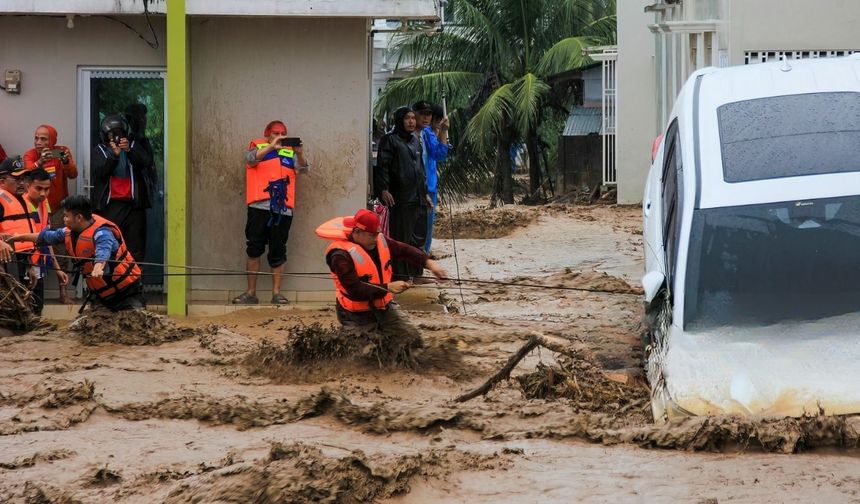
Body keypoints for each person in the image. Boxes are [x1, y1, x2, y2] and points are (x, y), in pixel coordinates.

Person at [316, 208, 447, 349]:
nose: (375, 239)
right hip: (354, 314)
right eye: (371, 235)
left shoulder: (379, 241)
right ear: (357, 232)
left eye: (377, 234)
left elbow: (404, 250)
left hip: (383, 307)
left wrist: (430, 264)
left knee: (413, 340)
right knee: (370, 352)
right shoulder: (340, 256)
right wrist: (388, 287)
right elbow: (355, 290)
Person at [8, 195, 145, 312]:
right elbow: (44, 237)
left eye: (66, 216)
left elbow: (104, 250)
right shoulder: (68, 232)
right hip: (102, 295)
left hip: (127, 292)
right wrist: (18, 237)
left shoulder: (103, 232)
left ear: (79, 217)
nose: (64, 219)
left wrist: (98, 266)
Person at [233, 120, 309, 305]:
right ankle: (251, 293)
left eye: (283, 133)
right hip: (259, 208)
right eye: (276, 133)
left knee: (278, 250)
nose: (280, 136)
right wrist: (271, 147)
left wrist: (300, 153)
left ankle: (276, 294)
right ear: (267, 134)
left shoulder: (289, 152)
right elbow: (250, 160)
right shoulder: (258, 148)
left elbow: (304, 169)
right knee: (254, 248)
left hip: (282, 210)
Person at [23, 124, 78, 303]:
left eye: (43, 139)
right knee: (34, 248)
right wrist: (40, 162)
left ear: (52, 141)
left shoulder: (61, 152)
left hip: (58, 210)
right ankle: (32, 295)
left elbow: (73, 174)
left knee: (61, 249)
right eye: (36, 138)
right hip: (35, 209)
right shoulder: (31, 154)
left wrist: (66, 161)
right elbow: (27, 174)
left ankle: (63, 293)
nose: (38, 142)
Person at [91, 114, 154, 264]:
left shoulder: (133, 146)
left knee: (135, 249)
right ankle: (110, 277)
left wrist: (129, 151)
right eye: (111, 134)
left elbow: (146, 163)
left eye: (119, 133)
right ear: (104, 135)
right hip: (110, 206)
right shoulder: (99, 150)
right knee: (111, 245)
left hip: (134, 206)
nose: (116, 137)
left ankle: (134, 277)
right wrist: (114, 156)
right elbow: (101, 173)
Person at [375, 106, 428, 279]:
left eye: (413, 118)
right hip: (400, 197)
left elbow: (420, 169)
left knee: (418, 238)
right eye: (407, 118)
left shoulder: (415, 140)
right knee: (401, 239)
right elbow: (383, 166)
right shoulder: (389, 140)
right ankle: (400, 276)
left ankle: (416, 274)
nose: (411, 121)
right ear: (399, 120)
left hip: (418, 197)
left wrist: (425, 193)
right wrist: (384, 189)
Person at [22, 169, 69, 314]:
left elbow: (46, 239)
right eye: (38, 188)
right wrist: (29, 266)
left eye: (46, 189)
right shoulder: (22, 206)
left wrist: (57, 269)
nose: (43, 193)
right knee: (25, 308)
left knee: (38, 307)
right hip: (23, 266)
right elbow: (22, 242)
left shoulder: (44, 204)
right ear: (28, 186)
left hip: (39, 265)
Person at [0, 156, 40, 311]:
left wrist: (30, 265)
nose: (22, 183)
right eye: (17, 179)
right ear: (2, 181)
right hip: (5, 263)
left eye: (23, 179)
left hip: (21, 262)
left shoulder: (24, 200)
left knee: (21, 305)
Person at [412, 101, 450, 254]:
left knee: (426, 227)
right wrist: (443, 132)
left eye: (429, 115)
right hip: (423, 186)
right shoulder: (426, 133)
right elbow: (439, 153)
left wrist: (442, 132)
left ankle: (422, 256)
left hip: (429, 186)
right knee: (423, 228)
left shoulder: (427, 133)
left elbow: (439, 154)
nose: (426, 118)